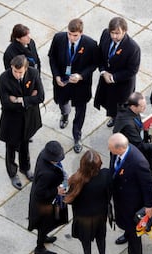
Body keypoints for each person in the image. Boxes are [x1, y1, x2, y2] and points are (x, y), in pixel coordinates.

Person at [48, 18, 98, 153]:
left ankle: (77, 135)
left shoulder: (90, 44)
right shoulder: (59, 38)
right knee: (62, 102)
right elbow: (52, 57)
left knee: (80, 111)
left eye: (75, 35)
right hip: (62, 82)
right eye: (69, 34)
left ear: (81, 33)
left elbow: (94, 64)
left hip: (80, 85)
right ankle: (65, 114)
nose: (71, 37)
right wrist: (56, 75)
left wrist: (81, 76)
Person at [108, 133, 152, 254]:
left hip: (133, 203)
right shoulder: (116, 153)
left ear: (120, 148)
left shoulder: (138, 162)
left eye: (111, 148)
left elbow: (148, 185)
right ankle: (127, 234)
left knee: (134, 233)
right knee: (126, 225)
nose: (109, 151)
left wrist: (149, 206)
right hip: (121, 198)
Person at [0, 55, 44, 190]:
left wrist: (20, 100)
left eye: (20, 72)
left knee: (25, 144)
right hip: (12, 120)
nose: (17, 75)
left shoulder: (33, 73)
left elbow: (40, 96)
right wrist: (30, 98)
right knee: (11, 147)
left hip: (29, 118)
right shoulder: (4, 78)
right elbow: (6, 103)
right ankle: (12, 172)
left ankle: (25, 168)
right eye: (15, 71)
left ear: (25, 69)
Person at [64, 150, 111, 254]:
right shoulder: (106, 175)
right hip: (100, 215)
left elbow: (70, 199)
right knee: (101, 238)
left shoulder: (77, 180)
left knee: (85, 239)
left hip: (83, 217)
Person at [94, 17, 141, 127]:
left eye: (117, 33)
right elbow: (100, 55)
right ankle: (113, 117)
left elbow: (132, 70)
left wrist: (113, 77)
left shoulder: (133, 48)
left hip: (122, 85)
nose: (114, 36)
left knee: (121, 108)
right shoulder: (105, 35)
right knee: (109, 103)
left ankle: (119, 123)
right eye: (112, 33)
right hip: (106, 80)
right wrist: (103, 72)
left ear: (124, 31)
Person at [27, 141, 67, 254]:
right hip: (43, 204)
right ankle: (39, 248)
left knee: (46, 224)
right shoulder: (47, 174)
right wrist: (56, 191)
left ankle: (44, 237)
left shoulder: (43, 155)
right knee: (43, 225)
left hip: (45, 200)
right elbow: (40, 193)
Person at [113, 92, 152, 181]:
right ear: (133, 106)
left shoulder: (131, 111)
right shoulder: (129, 125)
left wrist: (149, 129)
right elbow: (139, 145)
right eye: (142, 106)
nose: (145, 108)